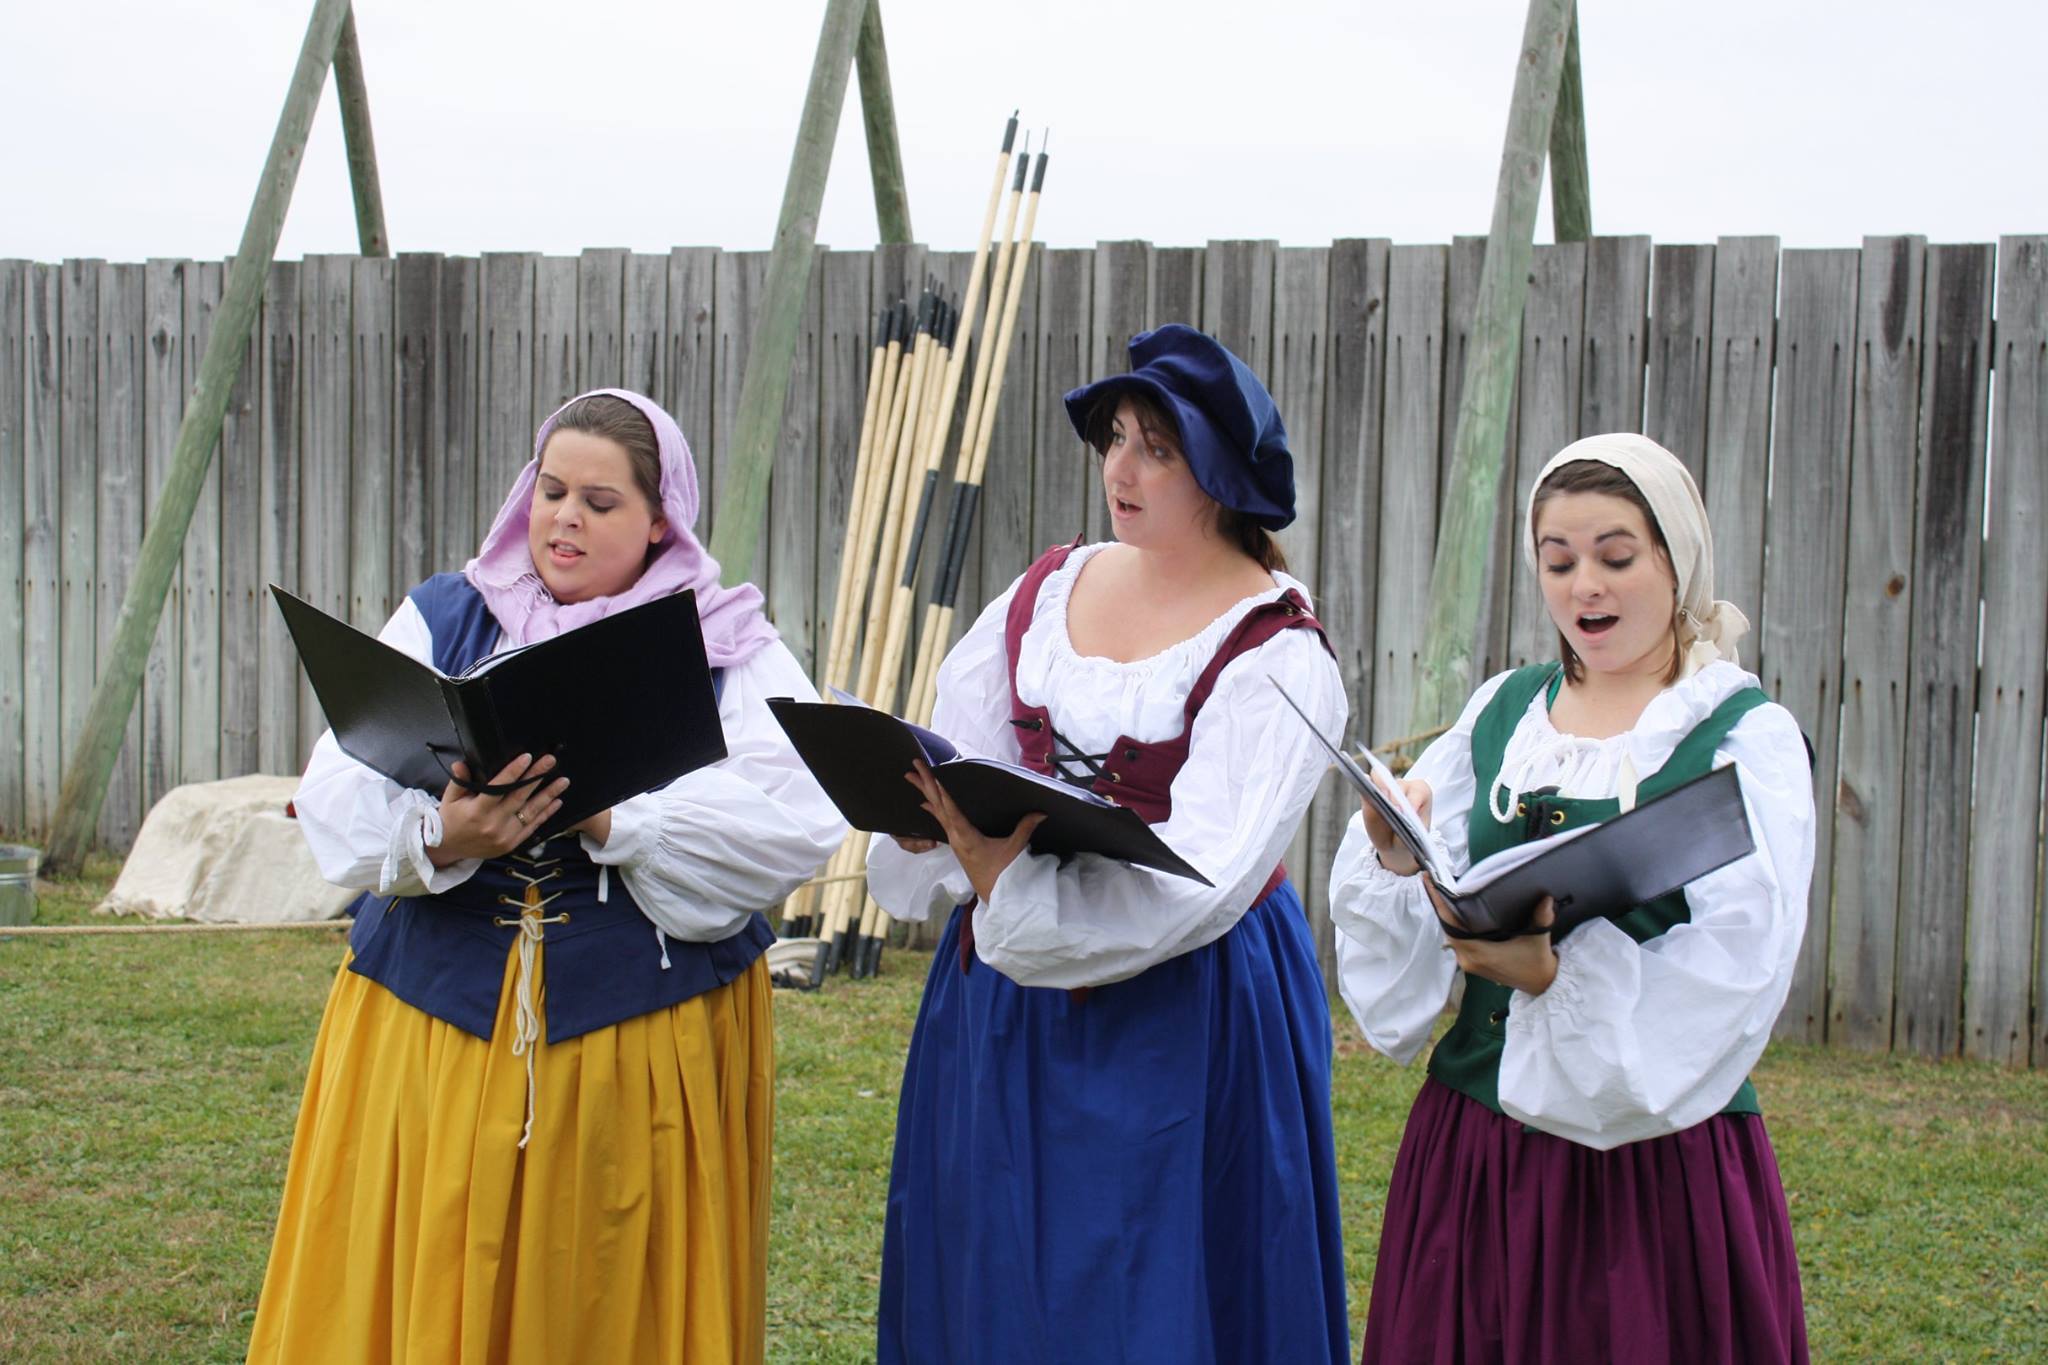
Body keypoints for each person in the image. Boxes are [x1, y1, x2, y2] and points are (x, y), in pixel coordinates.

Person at [248, 388, 843, 1364]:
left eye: (600, 502)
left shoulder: (724, 645)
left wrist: (614, 815)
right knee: (431, 1260)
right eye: (551, 490)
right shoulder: (448, 616)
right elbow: (336, 791)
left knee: (599, 1287)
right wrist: (445, 834)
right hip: (432, 1015)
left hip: (632, 1031)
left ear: (660, 523)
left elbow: (791, 821)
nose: (564, 517)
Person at [866, 324, 1352, 1363]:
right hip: (1003, 989)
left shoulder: (1277, 652)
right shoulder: (1049, 588)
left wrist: (1020, 896)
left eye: (1155, 449)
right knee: (996, 1263)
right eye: (1113, 440)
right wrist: (934, 826)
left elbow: (1208, 878)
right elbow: (968, 743)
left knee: (1152, 1283)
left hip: (1186, 1003)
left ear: (1217, 475)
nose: (1119, 470)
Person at [1332, 433, 1812, 1363]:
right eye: (1559, 561)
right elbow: (1427, 878)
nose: (1584, 584)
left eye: (1616, 556)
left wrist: (1554, 977)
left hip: (1656, 1171)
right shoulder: (1505, 712)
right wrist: (1395, 852)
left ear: (1678, 560)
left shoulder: (1741, 738)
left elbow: (1741, 967)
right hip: (1479, 1157)